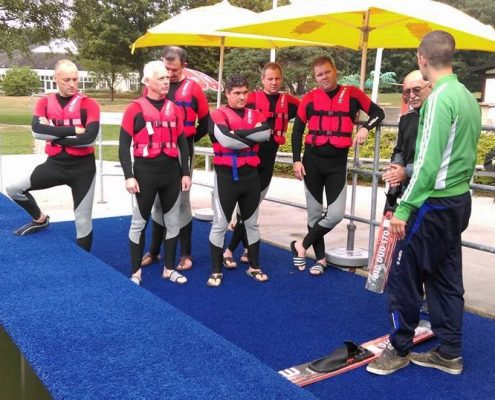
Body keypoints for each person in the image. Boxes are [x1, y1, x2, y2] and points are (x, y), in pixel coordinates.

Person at [367, 30, 481, 376]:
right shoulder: (467, 97)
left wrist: (403, 208)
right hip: (458, 202)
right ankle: (450, 352)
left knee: (403, 276)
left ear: (422, 58)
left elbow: (429, 163)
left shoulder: (440, 99)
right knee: (446, 278)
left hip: (432, 205)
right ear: (451, 56)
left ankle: (399, 348)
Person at [290, 56, 384, 276]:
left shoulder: (352, 94)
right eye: (319, 74)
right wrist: (296, 159)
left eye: (327, 72)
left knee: (335, 214)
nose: (324, 77)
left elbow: (377, 113)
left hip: (336, 164)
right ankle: (320, 259)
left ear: (335, 71)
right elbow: (297, 132)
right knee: (314, 214)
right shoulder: (310, 98)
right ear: (315, 77)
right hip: (311, 162)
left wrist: (365, 128)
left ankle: (301, 246)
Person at [6, 59, 100, 251]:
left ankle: (83, 263)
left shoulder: (88, 104)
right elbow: (36, 131)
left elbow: (89, 139)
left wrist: (55, 135)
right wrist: (75, 129)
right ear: (56, 78)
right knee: (13, 189)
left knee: (82, 220)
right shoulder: (45, 102)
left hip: (83, 169)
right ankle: (40, 219)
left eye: (75, 79)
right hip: (55, 164)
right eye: (66, 79)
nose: (72, 84)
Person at [118, 60, 191, 286]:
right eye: (160, 78)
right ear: (147, 81)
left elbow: (182, 143)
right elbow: (123, 145)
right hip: (144, 174)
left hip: (170, 173)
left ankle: (169, 269)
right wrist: (129, 175)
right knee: (139, 223)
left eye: (167, 77)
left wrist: (185, 173)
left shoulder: (175, 109)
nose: (166, 81)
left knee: (172, 222)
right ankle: (136, 271)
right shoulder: (134, 109)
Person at [222, 62, 300, 269]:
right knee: (247, 211)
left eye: (277, 79)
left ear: (281, 79)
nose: (274, 82)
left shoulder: (290, 102)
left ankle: (245, 249)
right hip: (248, 161)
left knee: (251, 209)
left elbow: (309, 111)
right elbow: (230, 116)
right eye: (269, 79)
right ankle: (231, 250)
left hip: (268, 163)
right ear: (262, 80)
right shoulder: (250, 99)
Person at [140, 46, 210, 271]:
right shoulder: (153, 86)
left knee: (181, 203)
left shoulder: (193, 89)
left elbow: (206, 121)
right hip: (157, 151)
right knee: (158, 203)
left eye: (174, 70)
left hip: (182, 149)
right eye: (166, 69)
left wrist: (188, 142)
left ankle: (186, 253)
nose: (169, 75)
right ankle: (154, 250)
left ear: (184, 67)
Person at [207, 74, 272, 287]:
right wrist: (249, 137)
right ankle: (216, 270)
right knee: (220, 225)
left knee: (252, 223)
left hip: (250, 178)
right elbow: (225, 140)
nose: (241, 97)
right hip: (226, 178)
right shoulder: (217, 114)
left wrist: (239, 133)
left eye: (245, 92)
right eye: (236, 93)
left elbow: (266, 134)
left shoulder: (256, 113)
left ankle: (254, 266)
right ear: (227, 94)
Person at [382, 70, 431, 204]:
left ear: (430, 87)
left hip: (430, 188)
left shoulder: (438, 117)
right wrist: (396, 168)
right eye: (407, 92)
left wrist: (405, 171)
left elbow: (436, 160)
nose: (412, 96)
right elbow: (399, 149)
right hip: (407, 186)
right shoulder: (406, 119)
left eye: (416, 90)